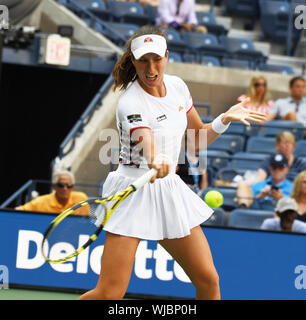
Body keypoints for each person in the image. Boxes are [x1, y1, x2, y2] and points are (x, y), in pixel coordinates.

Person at [78, 25, 266, 300]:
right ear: (133, 60)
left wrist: (224, 119)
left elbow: (196, 141)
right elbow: (147, 145)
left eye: (157, 59)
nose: (151, 68)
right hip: (130, 192)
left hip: (167, 190)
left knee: (208, 280)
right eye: (143, 60)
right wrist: (157, 159)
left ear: (167, 56)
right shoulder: (129, 102)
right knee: (109, 293)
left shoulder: (177, 87)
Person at [15, 170, 88, 215]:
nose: (65, 188)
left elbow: (88, 222)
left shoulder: (81, 199)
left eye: (69, 186)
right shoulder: (42, 201)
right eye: (61, 185)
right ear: (54, 186)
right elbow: (18, 211)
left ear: (72, 187)